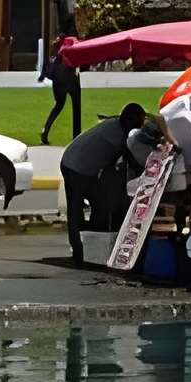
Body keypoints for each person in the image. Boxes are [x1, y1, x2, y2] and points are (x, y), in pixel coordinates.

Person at [60, 101, 153, 266]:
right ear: (129, 120)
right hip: (74, 166)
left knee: (100, 204)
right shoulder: (116, 134)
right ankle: (79, 250)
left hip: (85, 167)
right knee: (76, 208)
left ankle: (95, 242)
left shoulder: (118, 126)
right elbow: (129, 157)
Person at [41, 36, 85, 143]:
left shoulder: (59, 50)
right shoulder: (72, 46)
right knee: (76, 105)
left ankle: (45, 129)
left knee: (58, 105)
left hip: (57, 79)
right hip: (69, 78)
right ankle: (76, 135)